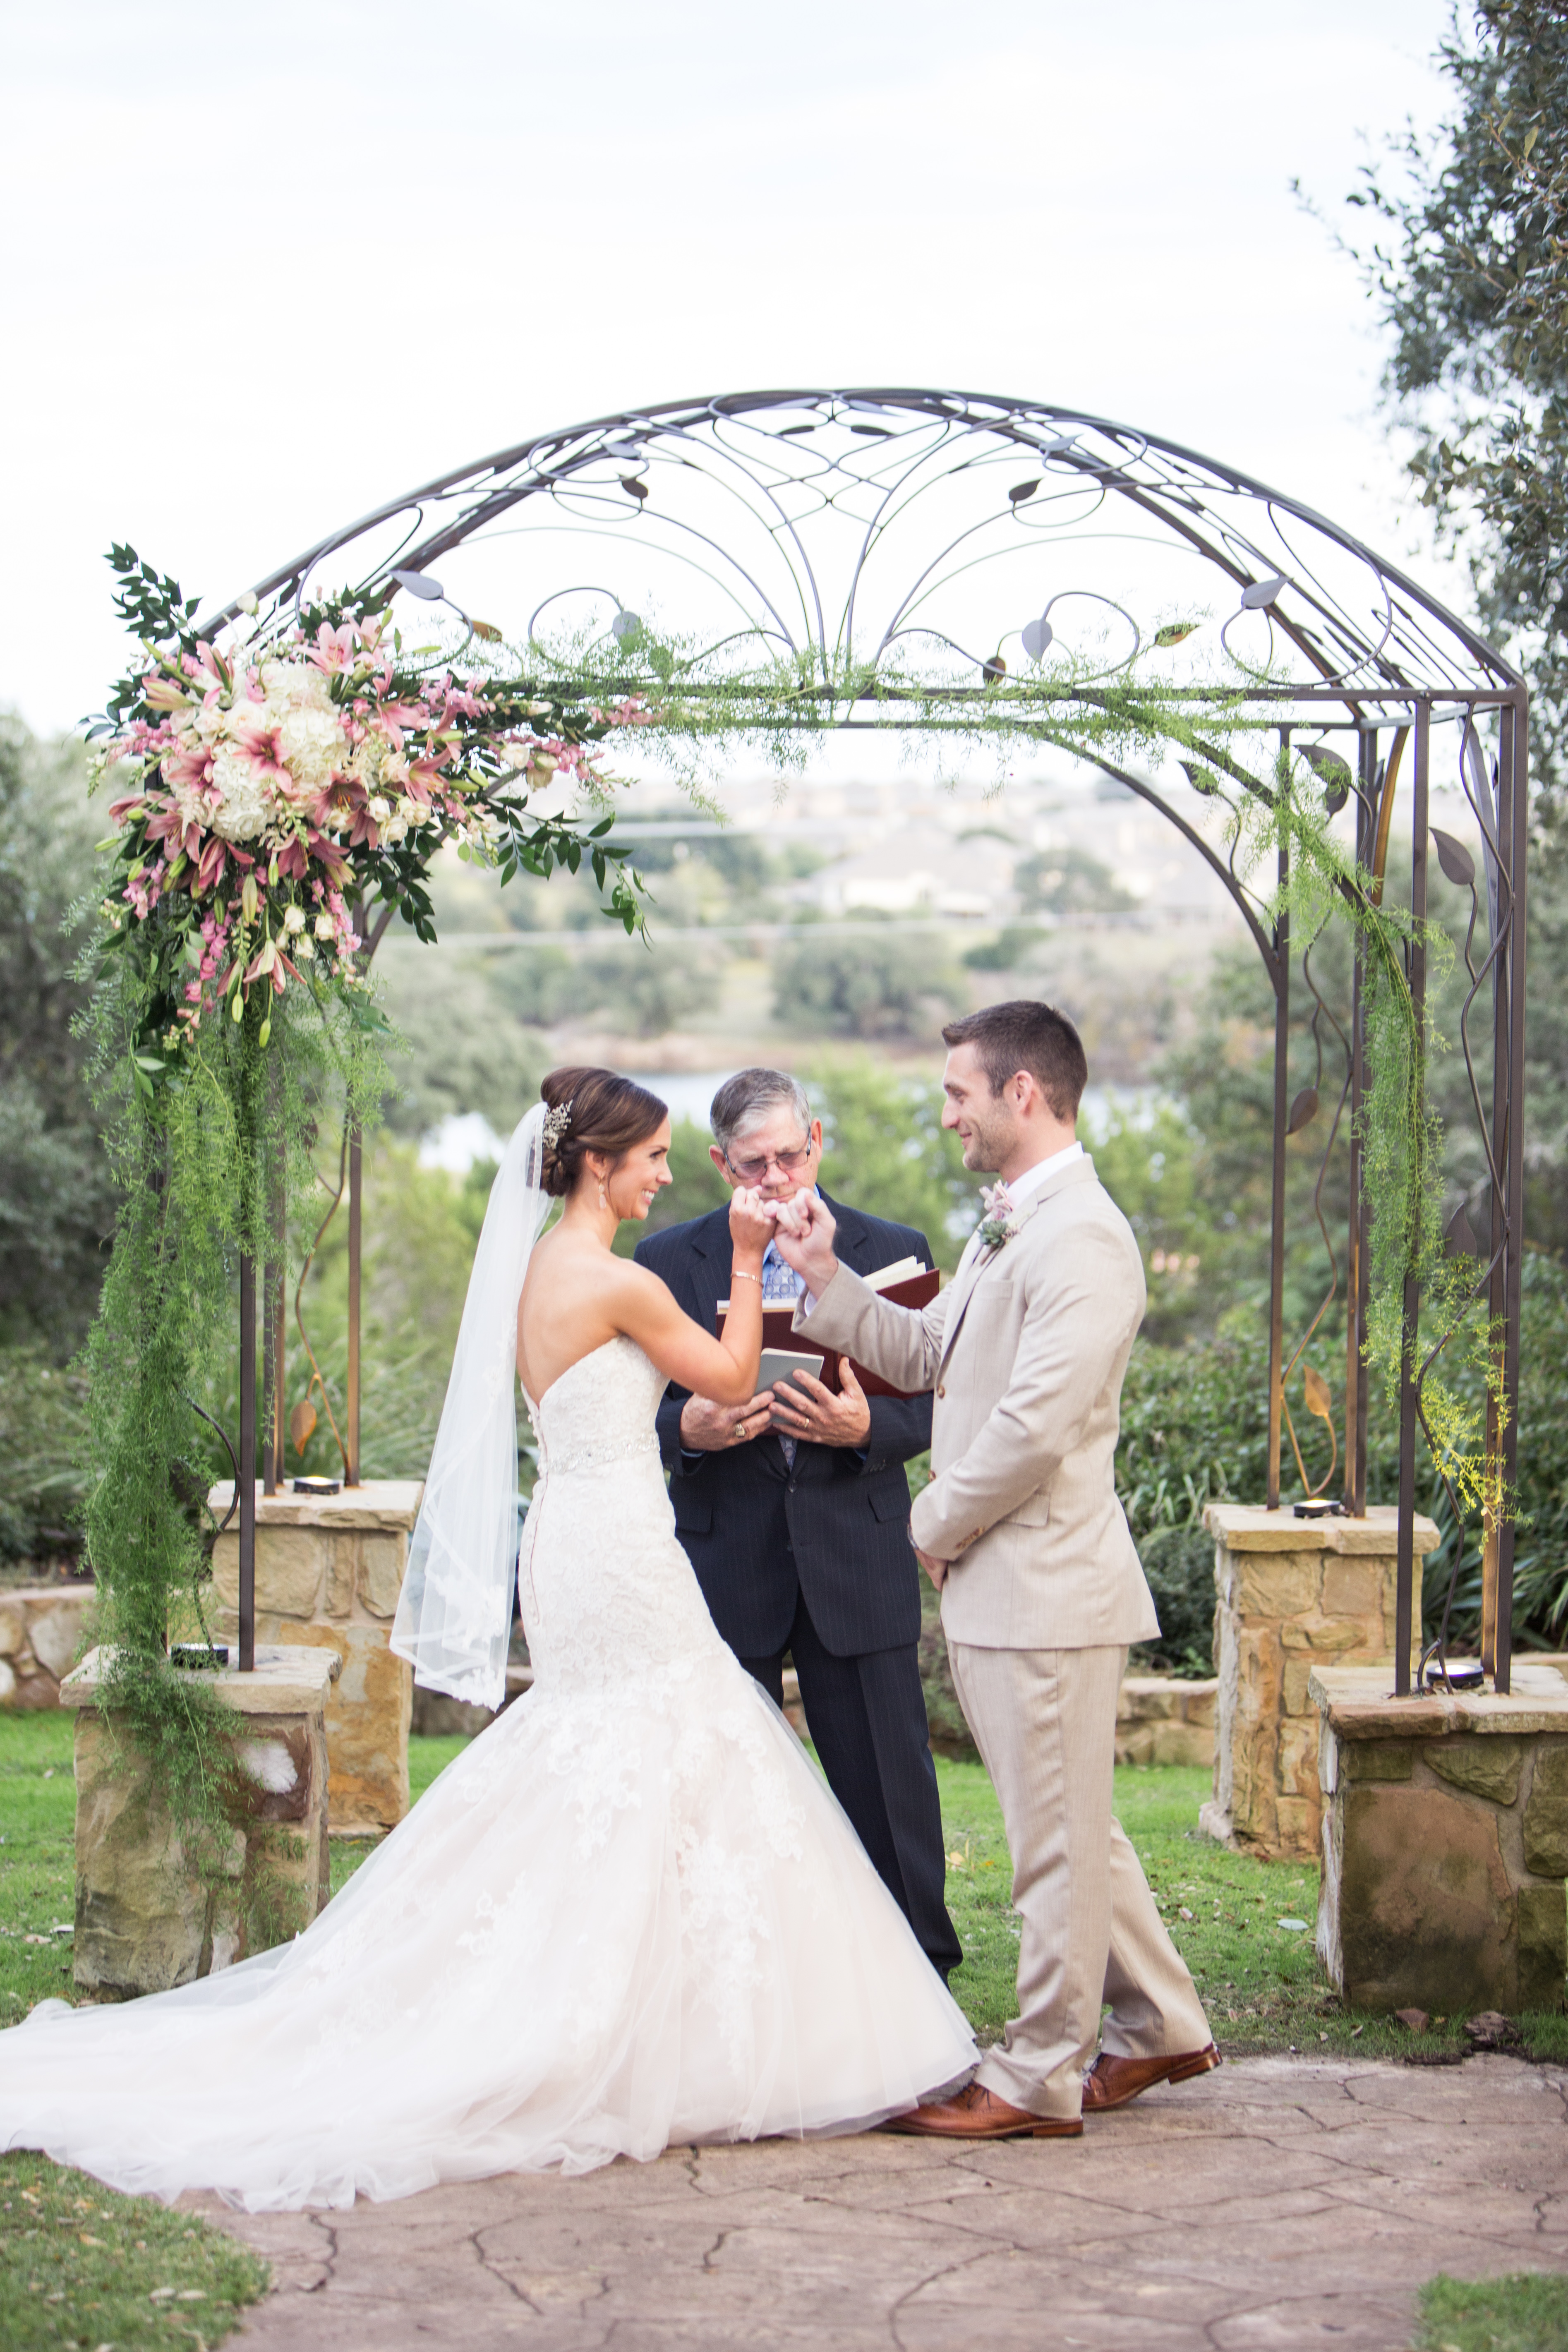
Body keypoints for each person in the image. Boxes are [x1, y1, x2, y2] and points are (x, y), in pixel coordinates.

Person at [0, 1069, 974, 2209]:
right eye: (653, 1155)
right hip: (614, 1545)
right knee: (674, 1736)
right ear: (599, 1164)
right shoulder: (611, 1277)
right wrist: (754, 1261)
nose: (667, 1175)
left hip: (579, 1535)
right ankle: (640, 2021)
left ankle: (659, 2004)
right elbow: (716, 1372)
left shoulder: (541, 1270)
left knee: (621, 1752)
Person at [771, 1002, 1218, 2141]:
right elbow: (932, 1358)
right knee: (1076, 1825)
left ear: (1022, 1093)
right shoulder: (1006, 1227)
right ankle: (1160, 2022)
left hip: (1044, 1584)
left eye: (957, 1092)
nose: (945, 1112)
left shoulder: (1082, 1238)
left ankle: (1034, 2073)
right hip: (1006, 1583)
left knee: (1051, 1847)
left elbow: (1029, 1426)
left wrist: (929, 1518)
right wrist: (825, 1276)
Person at [635, 1070, 960, 1980]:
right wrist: (686, 1431)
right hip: (723, 1554)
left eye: (790, 1154)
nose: (776, 1177)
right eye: (753, 1163)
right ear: (717, 1163)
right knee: (716, 1787)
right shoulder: (668, 1261)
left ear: (816, 1140)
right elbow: (629, 1409)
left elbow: (938, 1402)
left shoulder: (891, 1249)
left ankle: (918, 1971)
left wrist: (868, 1428)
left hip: (852, 1550)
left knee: (888, 1785)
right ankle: (726, 1971)